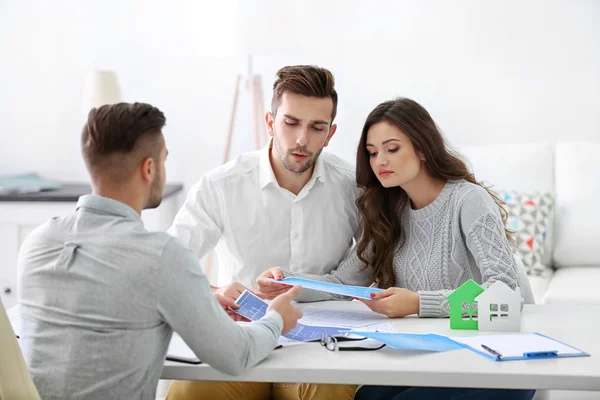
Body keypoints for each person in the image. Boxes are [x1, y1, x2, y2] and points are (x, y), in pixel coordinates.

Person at [17, 102, 303, 400]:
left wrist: (198, 298)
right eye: (163, 160)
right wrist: (276, 319)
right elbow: (237, 355)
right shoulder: (160, 256)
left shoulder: (39, 241)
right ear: (149, 168)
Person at [257, 97, 536, 400]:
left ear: (422, 148)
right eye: (372, 153)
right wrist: (286, 282)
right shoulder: (388, 210)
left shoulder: (468, 201)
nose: (380, 162)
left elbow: (506, 295)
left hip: (484, 356)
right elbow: (344, 283)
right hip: (424, 356)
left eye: (392, 149)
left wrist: (418, 304)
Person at [166, 65, 360, 399]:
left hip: (320, 348)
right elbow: (167, 264)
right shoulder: (221, 185)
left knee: (330, 392)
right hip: (240, 341)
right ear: (270, 122)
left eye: (317, 127)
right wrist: (211, 291)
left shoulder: (354, 187)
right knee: (189, 392)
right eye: (291, 123)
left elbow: (370, 268)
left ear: (330, 133)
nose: (302, 139)